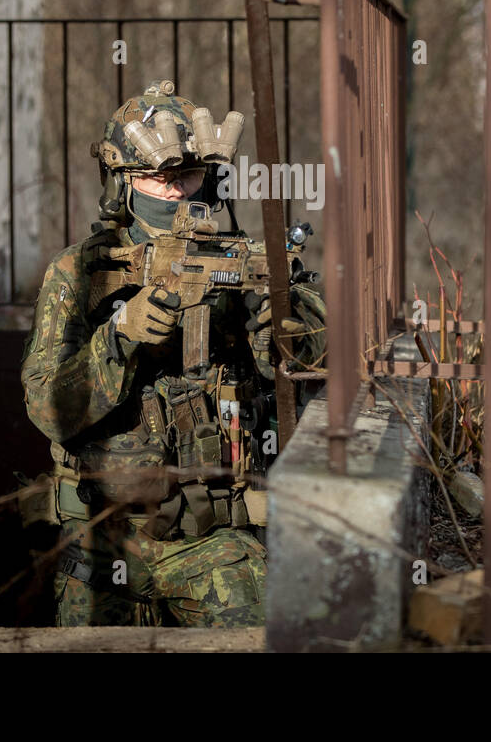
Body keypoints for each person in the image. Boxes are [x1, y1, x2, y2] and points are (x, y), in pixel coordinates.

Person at [20, 78, 326, 625]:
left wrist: (280, 332)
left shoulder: (245, 263)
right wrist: (118, 338)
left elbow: (315, 360)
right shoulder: (80, 272)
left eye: (187, 176)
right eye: (158, 180)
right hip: (100, 538)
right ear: (123, 184)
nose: (178, 193)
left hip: (211, 540)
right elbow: (48, 411)